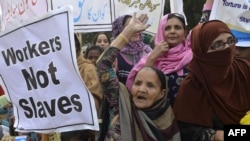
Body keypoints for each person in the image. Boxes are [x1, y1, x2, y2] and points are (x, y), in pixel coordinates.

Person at [97, 13, 180, 141]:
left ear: (162, 93)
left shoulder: (167, 118)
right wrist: (128, 31)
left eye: (150, 85)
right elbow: (102, 66)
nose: (141, 89)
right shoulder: (121, 105)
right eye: (137, 83)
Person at [173, 20, 250, 141]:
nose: (227, 48)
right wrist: (218, 135)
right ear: (201, 50)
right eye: (218, 44)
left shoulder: (245, 69)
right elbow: (186, 131)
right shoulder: (192, 86)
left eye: (230, 41)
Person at [126, 0, 213, 106]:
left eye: (177, 27)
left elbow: (204, 23)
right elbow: (136, 86)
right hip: (160, 119)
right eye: (167, 28)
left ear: (184, 32)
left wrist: (210, 3)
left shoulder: (193, 52)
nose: (172, 31)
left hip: (189, 117)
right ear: (162, 31)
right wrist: (153, 57)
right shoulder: (153, 56)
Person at [112, 14, 152, 85]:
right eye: (130, 27)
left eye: (137, 25)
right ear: (121, 31)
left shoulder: (148, 51)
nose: (135, 29)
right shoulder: (115, 56)